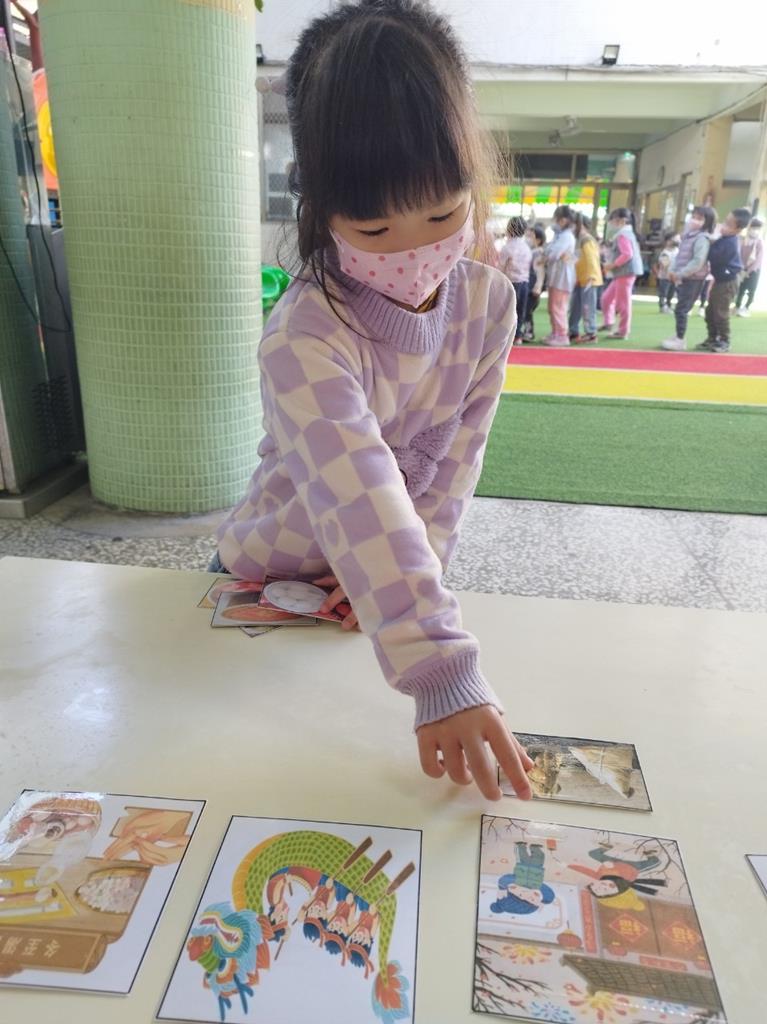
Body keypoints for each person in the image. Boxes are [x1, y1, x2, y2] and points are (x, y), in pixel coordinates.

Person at [212, 0, 534, 802]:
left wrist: (399, 591)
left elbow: (455, 469)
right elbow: (357, 490)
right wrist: (441, 670)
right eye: (374, 229)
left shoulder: (489, 305)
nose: (415, 250)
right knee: (240, 772)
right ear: (319, 210)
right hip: (270, 575)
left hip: (377, 602)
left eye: (443, 213)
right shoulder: (306, 334)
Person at [696, 207, 750, 352]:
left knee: (720, 311)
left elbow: (714, 256)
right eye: (725, 222)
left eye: (728, 225)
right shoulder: (725, 238)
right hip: (721, 280)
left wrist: (708, 243)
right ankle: (712, 338)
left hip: (728, 281)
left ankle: (725, 341)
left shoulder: (730, 242)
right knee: (710, 311)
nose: (723, 226)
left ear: (738, 230)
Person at [661, 205, 715, 350]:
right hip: (684, 277)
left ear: (707, 222)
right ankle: (678, 335)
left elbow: (698, 261)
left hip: (694, 278)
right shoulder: (688, 235)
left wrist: (679, 273)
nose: (695, 220)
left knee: (682, 309)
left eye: (700, 218)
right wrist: (672, 270)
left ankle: (680, 340)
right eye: (694, 217)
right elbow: (679, 256)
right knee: (681, 307)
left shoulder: (702, 238)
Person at [598, 208, 643, 340]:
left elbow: (627, 254)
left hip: (626, 272)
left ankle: (623, 331)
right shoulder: (625, 233)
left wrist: (612, 265)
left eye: (613, 220)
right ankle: (608, 322)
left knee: (622, 303)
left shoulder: (623, 235)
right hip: (622, 273)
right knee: (606, 298)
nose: (611, 224)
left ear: (622, 221)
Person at [542, 205, 576, 346]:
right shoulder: (560, 235)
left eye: (557, 219)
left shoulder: (566, 236)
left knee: (558, 306)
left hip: (562, 277)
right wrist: (549, 253)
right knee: (553, 306)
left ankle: (561, 335)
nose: (555, 222)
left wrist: (548, 254)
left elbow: (553, 254)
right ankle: (556, 332)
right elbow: (549, 251)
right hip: (557, 275)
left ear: (563, 220)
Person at [569, 213, 603, 343]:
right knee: (575, 307)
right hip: (581, 279)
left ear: (581, 225)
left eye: (574, 224)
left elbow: (591, 259)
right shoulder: (579, 240)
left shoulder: (586, 239)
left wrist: (591, 276)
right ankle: (573, 331)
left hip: (589, 279)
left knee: (587, 307)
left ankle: (591, 333)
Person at [499, 216, 532, 345]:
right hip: (524, 283)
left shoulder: (507, 247)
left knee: (508, 311)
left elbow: (501, 267)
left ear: (509, 229)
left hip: (511, 282)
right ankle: (518, 335)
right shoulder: (526, 247)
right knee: (520, 310)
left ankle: (507, 335)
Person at [521, 224, 546, 341]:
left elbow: (540, 272)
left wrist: (538, 287)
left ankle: (529, 332)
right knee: (526, 310)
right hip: (530, 285)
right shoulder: (532, 251)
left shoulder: (538, 253)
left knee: (527, 310)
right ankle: (527, 331)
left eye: (531, 236)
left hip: (533, 287)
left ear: (538, 240)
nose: (528, 238)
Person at [735, 216, 764, 316]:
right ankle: (737, 306)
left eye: (757, 228)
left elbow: (758, 260)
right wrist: (741, 268)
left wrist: (749, 271)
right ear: (749, 227)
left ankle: (746, 307)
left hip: (754, 271)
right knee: (741, 289)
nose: (755, 230)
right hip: (742, 269)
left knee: (751, 290)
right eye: (753, 227)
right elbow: (739, 254)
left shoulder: (760, 242)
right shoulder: (743, 240)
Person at [654, 232, 679, 313]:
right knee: (663, 292)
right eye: (675, 239)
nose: (677, 241)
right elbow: (665, 265)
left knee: (671, 292)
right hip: (665, 277)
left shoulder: (677, 251)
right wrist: (670, 274)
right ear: (668, 241)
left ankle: (668, 305)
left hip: (674, 276)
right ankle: (662, 306)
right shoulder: (665, 253)